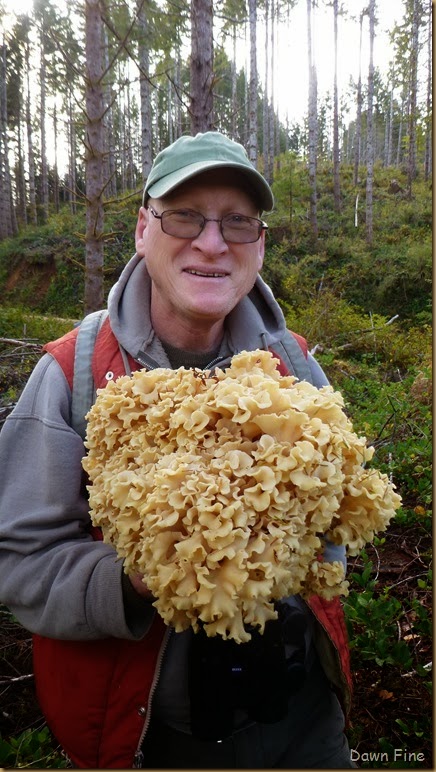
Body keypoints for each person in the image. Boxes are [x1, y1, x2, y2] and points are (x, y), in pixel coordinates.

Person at [0, 131, 354, 769]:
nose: (212, 242)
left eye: (238, 222)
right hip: (153, 741)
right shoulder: (70, 375)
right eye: (184, 214)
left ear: (259, 243)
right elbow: (20, 565)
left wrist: (292, 556)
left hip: (304, 723)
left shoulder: (296, 365)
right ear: (142, 229)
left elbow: (338, 512)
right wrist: (138, 582)